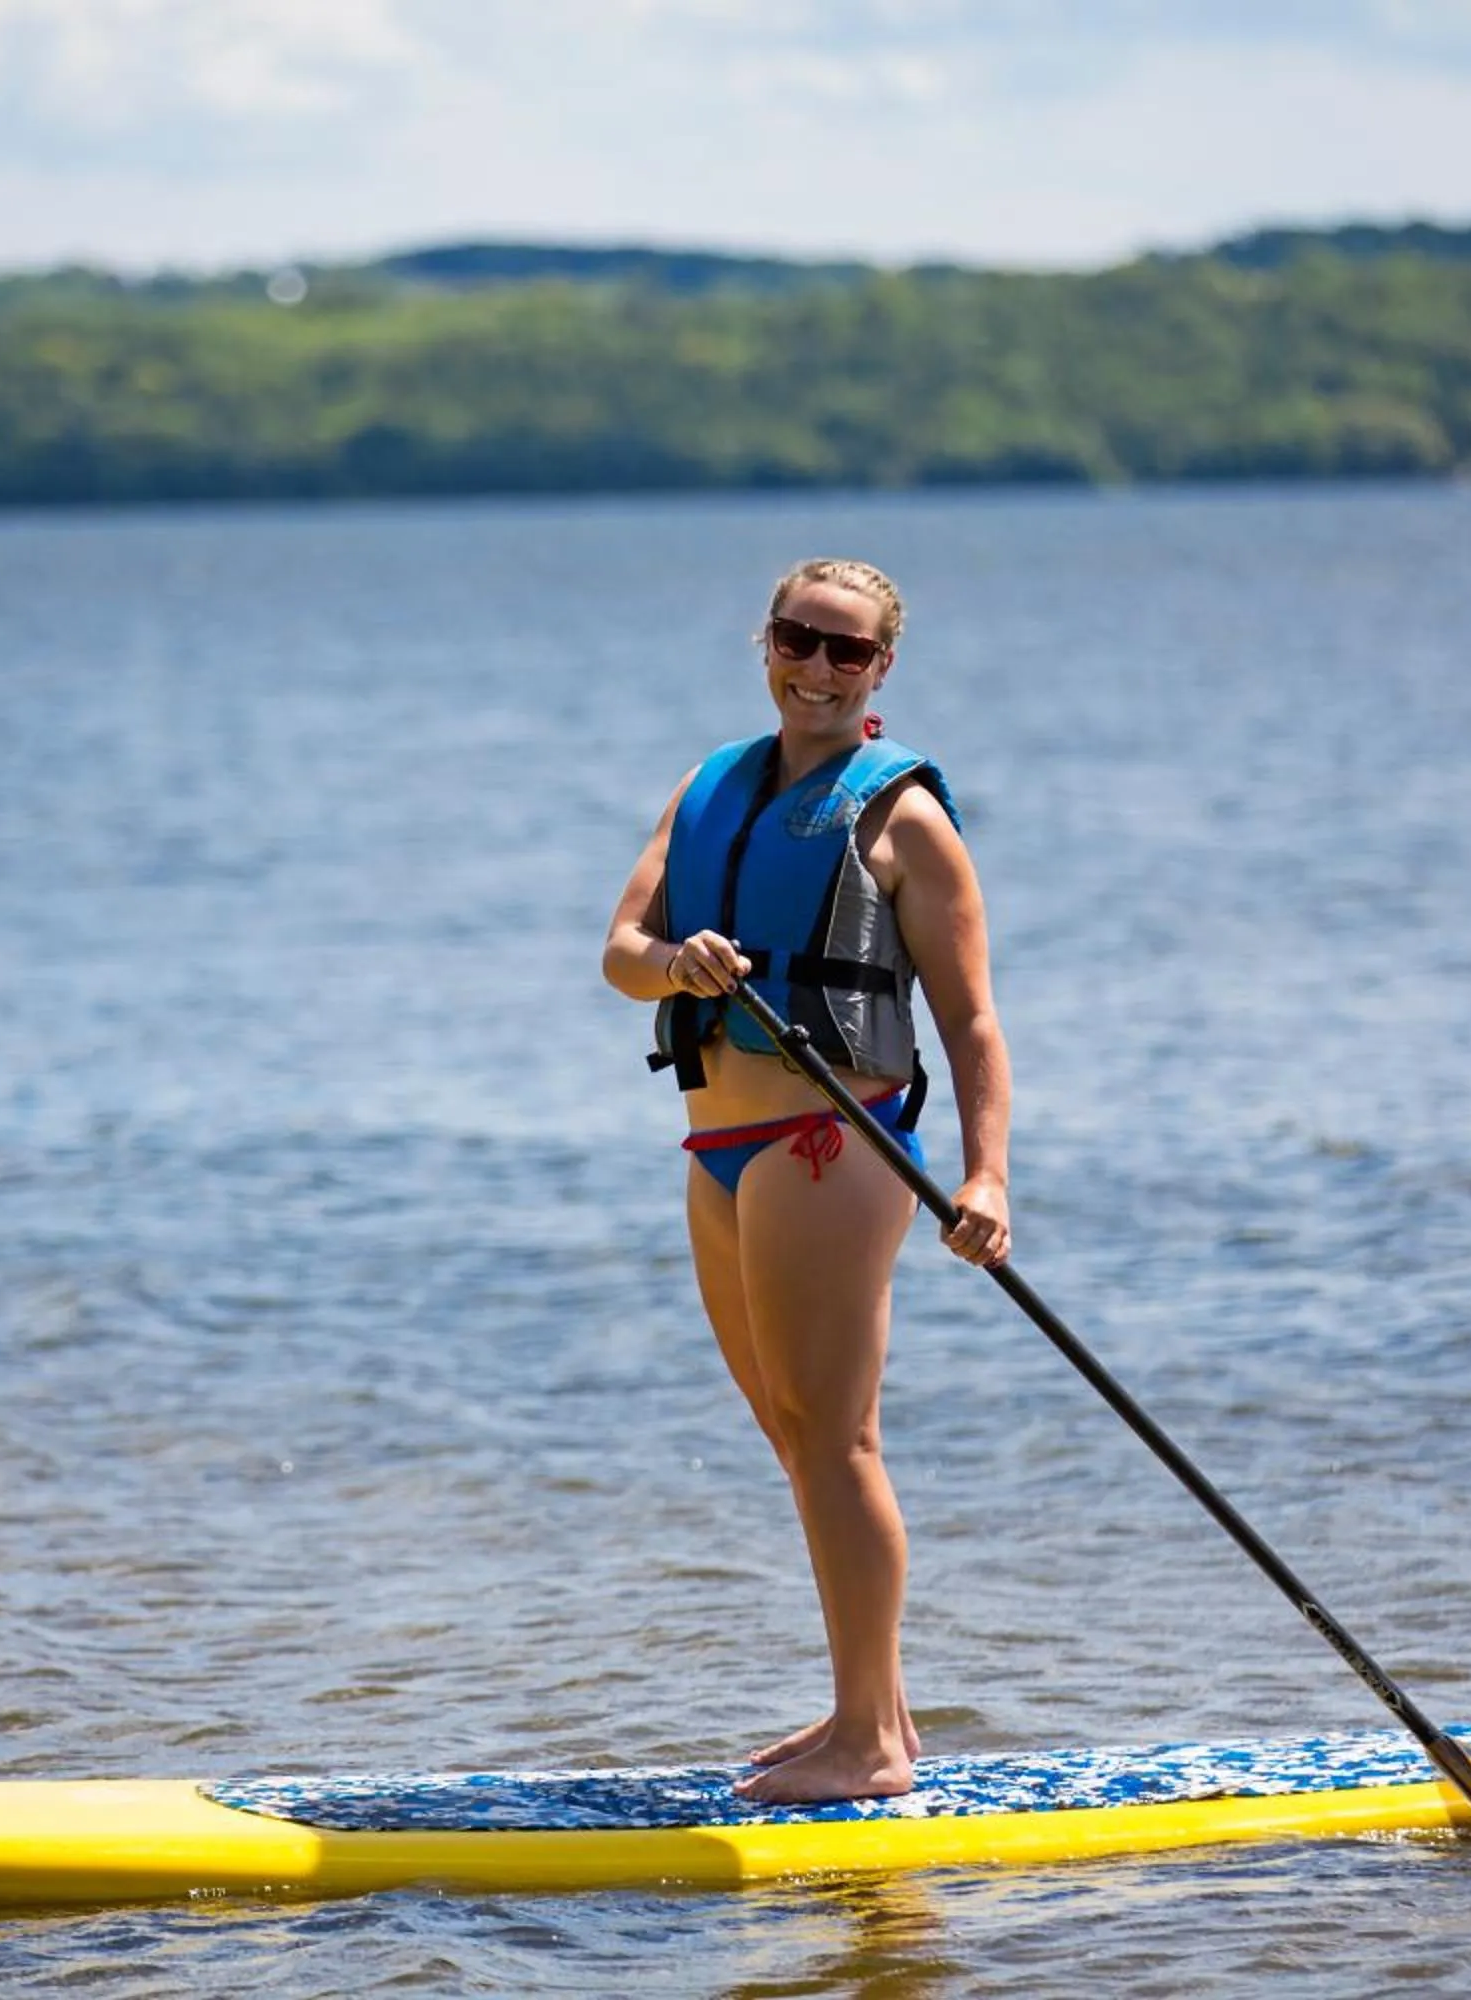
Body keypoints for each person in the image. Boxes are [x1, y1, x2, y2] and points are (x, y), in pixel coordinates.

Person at [602, 557, 1014, 1804]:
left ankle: (872, 1743)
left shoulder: (904, 821)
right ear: (765, 642)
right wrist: (682, 961)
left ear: (884, 670)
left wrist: (988, 1174)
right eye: (801, 639)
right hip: (718, 1149)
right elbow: (621, 953)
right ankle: (869, 1710)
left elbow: (974, 1024)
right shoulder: (710, 783)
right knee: (794, 1434)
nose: (821, 667)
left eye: (850, 651)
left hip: (831, 1145)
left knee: (833, 1440)